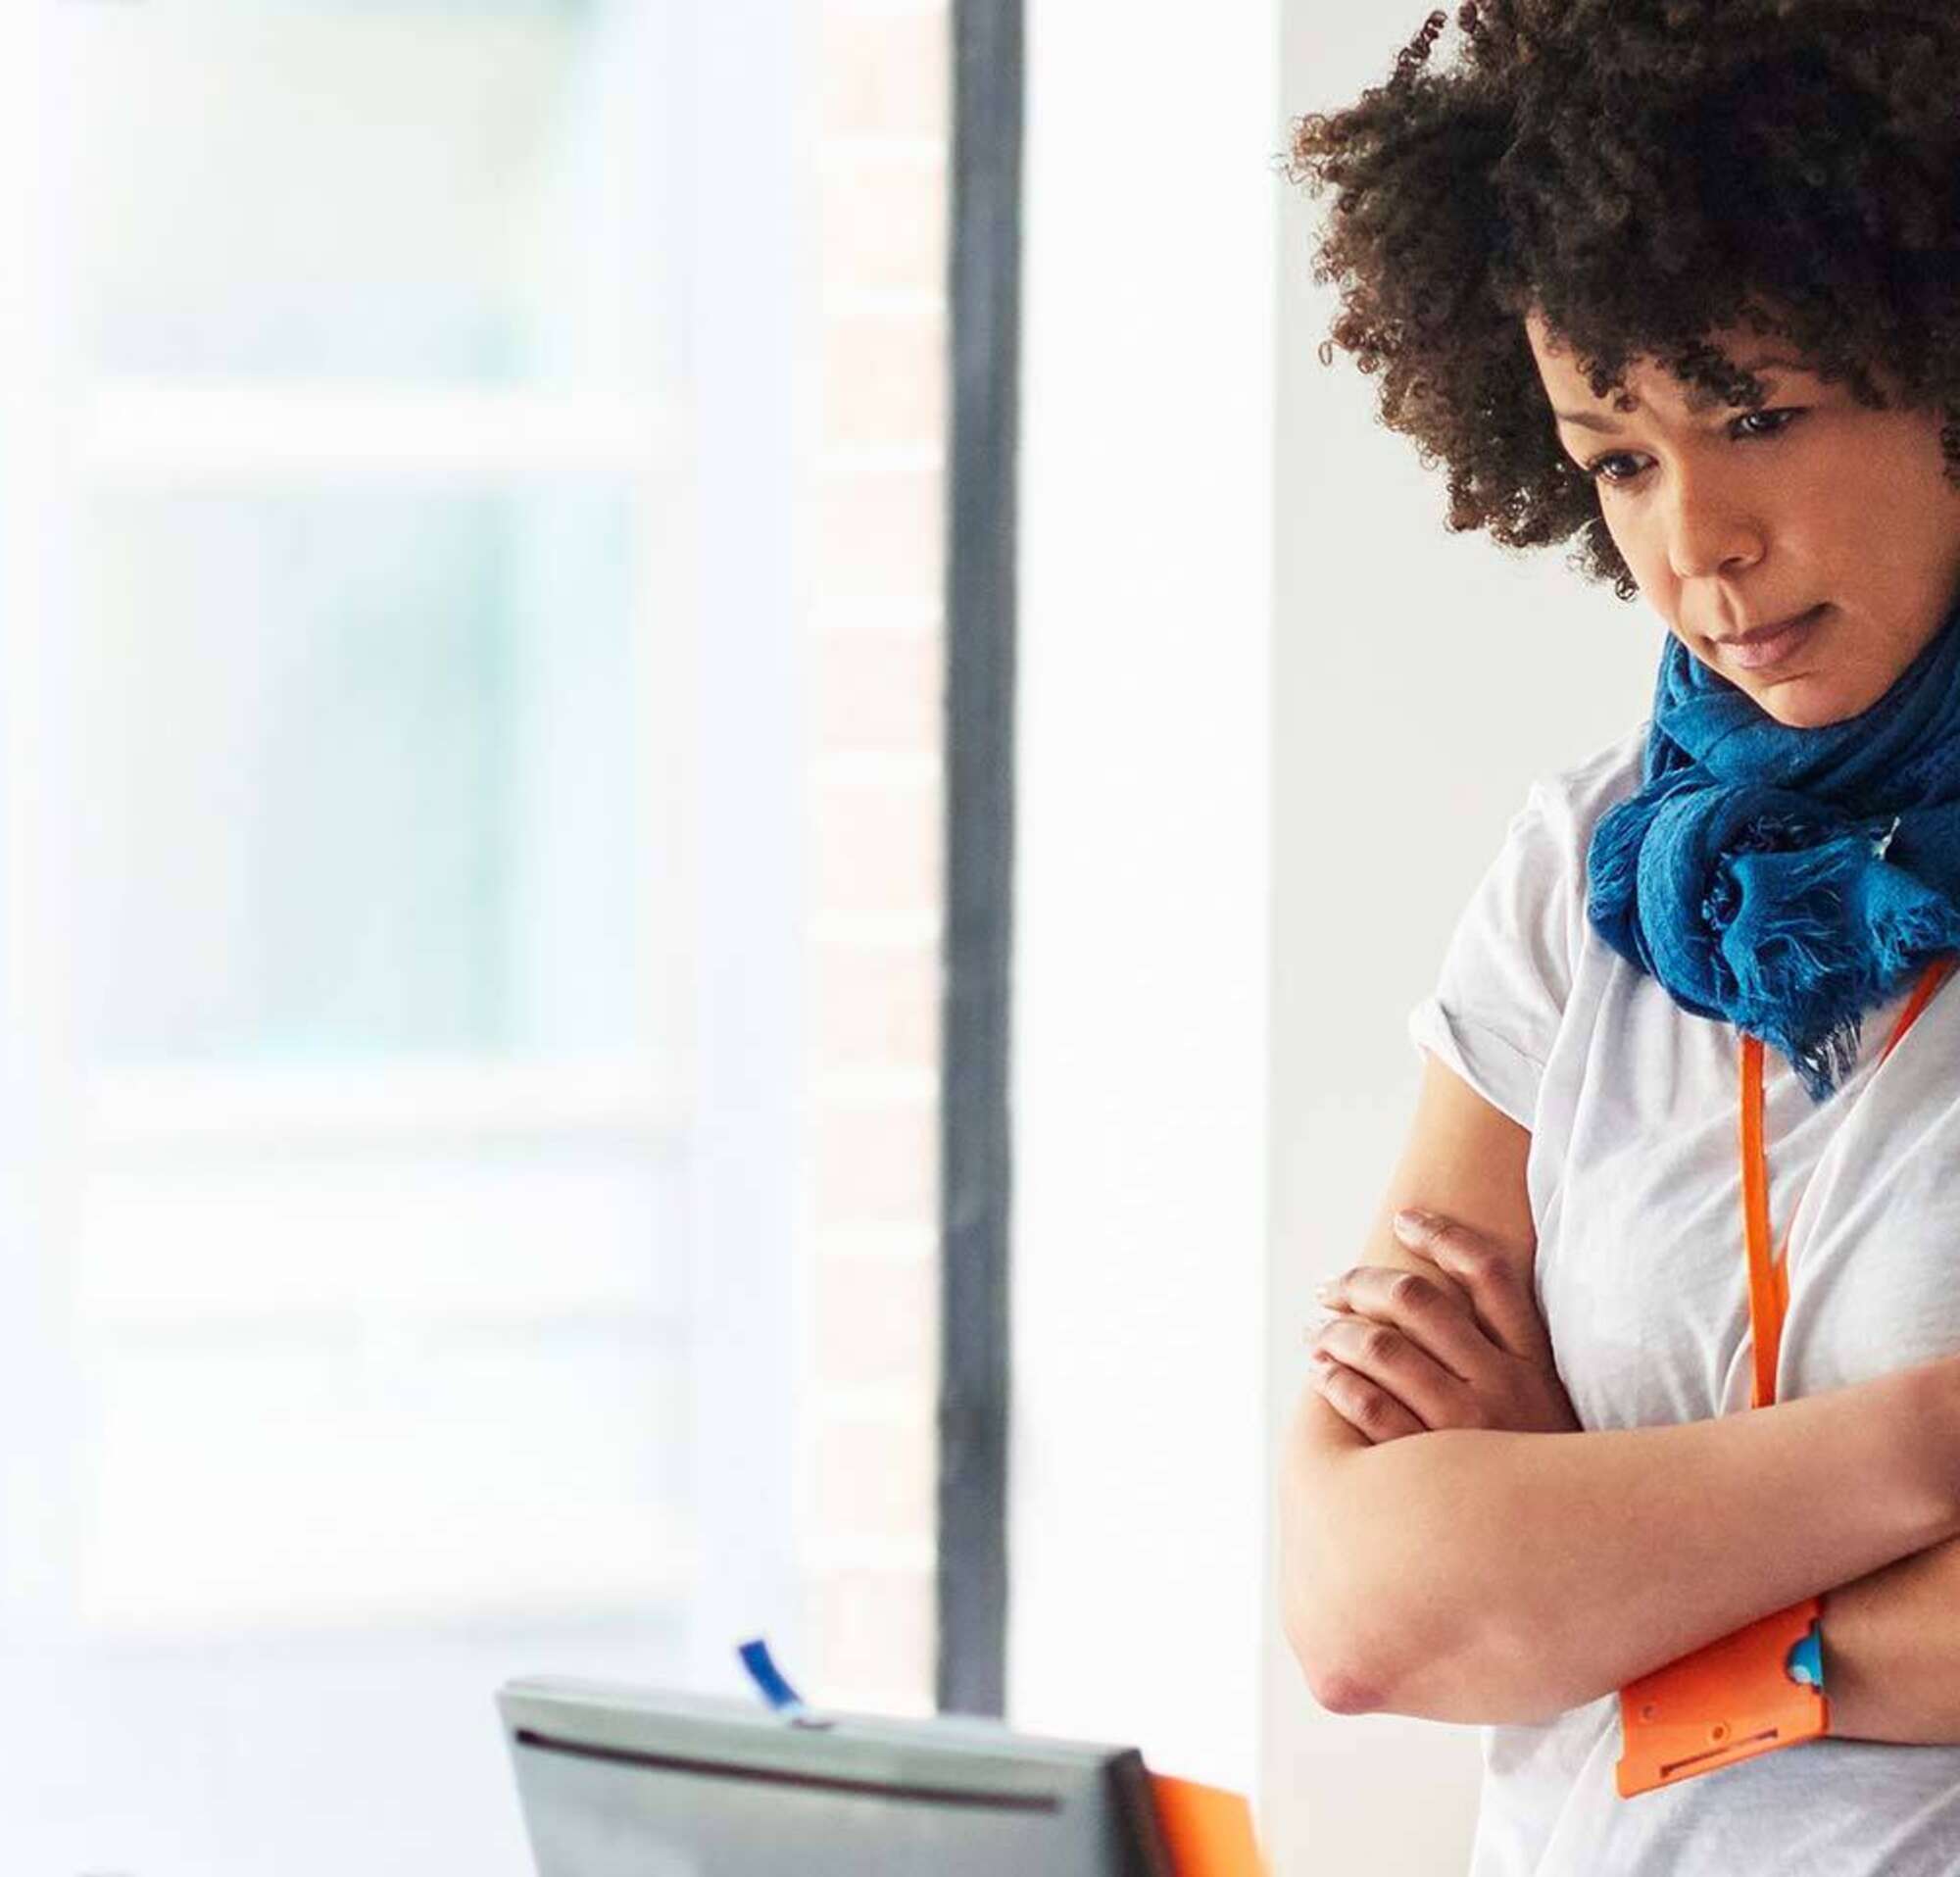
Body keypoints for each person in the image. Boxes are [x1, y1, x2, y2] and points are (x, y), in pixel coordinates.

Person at [1277, 3, 1960, 1870]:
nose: (1695, 545)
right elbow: (1371, 1612)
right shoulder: (1588, 875)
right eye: (1618, 459)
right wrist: (1920, 1461)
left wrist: (1598, 1544)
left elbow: (1498, 1601)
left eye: (1759, 416)